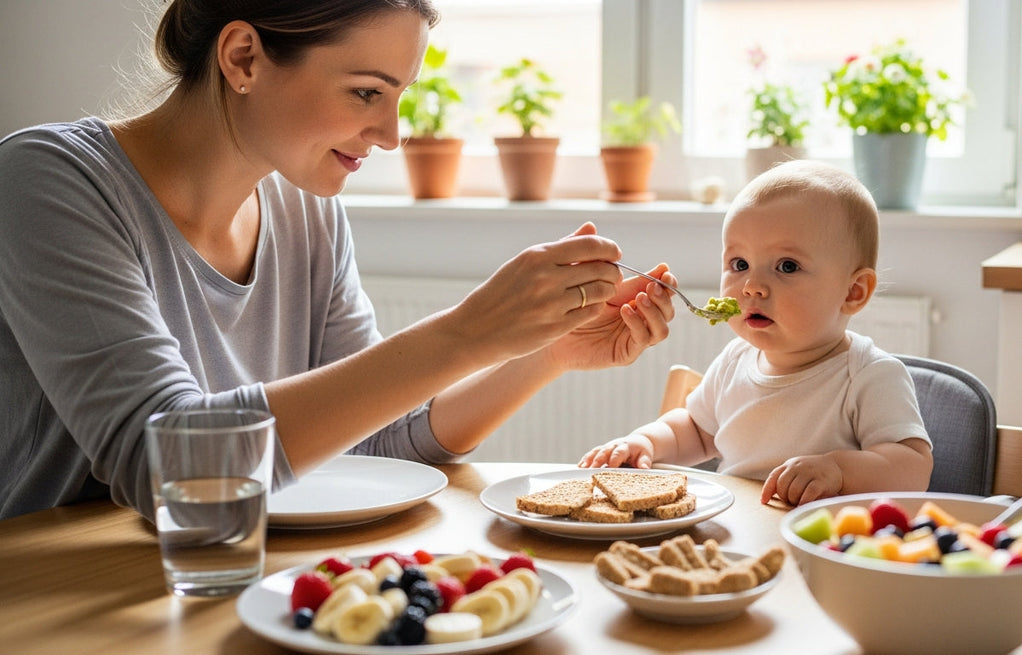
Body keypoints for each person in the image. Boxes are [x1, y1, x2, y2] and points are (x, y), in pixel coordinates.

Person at [0, 0, 678, 521]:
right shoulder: (48, 181)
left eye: (399, 97)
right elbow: (168, 465)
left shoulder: (306, 210)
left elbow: (375, 443)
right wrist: (468, 332)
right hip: (55, 594)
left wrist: (543, 351)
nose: (390, 135)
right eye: (366, 93)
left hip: (210, 587)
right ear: (242, 57)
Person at [579, 160, 932, 506]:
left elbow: (912, 468)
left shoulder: (869, 376)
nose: (752, 287)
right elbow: (696, 429)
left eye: (787, 266)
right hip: (738, 538)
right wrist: (647, 442)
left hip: (818, 547)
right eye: (740, 264)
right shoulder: (735, 360)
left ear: (853, 292)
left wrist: (838, 470)